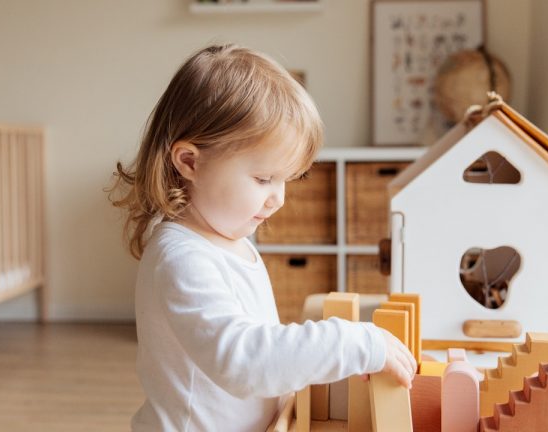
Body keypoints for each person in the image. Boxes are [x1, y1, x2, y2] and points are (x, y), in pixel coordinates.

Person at [108, 44, 416, 431]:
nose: (278, 198)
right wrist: (355, 344)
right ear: (189, 161)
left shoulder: (230, 241)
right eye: (263, 179)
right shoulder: (183, 259)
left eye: (286, 180)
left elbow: (263, 345)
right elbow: (244, 362)